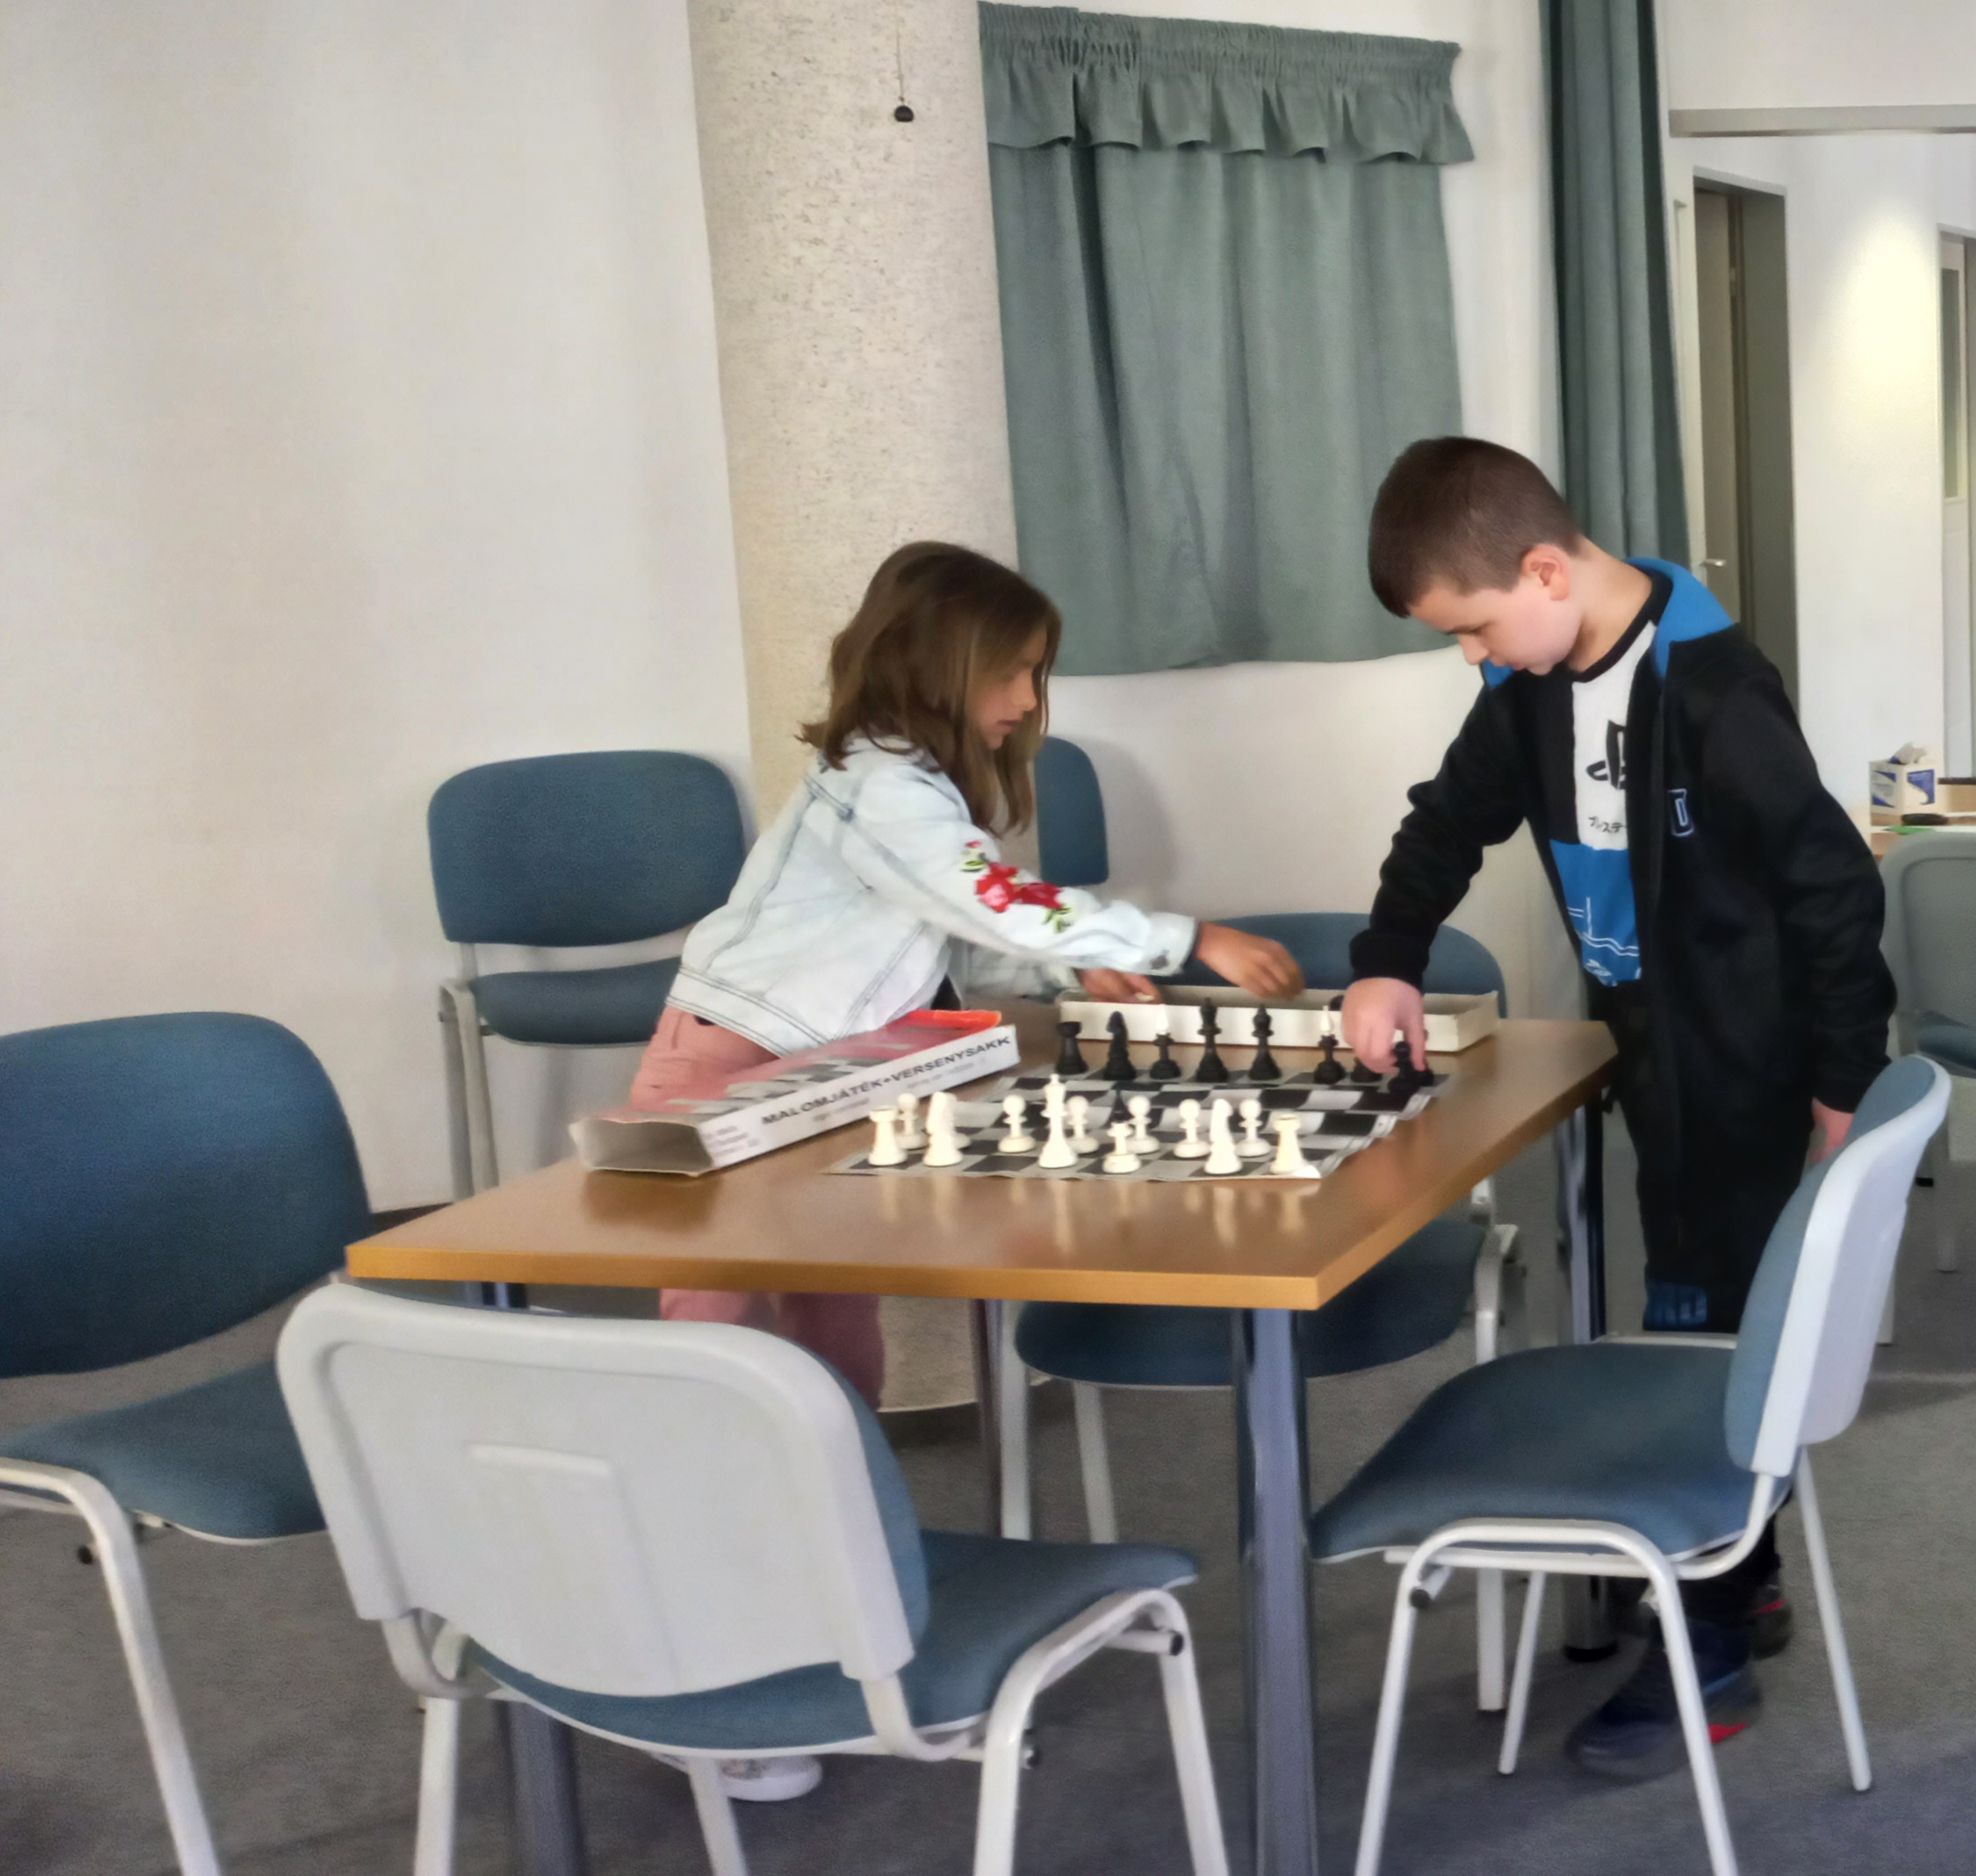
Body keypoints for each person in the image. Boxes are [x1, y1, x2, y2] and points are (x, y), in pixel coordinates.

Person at [641, 539, 1304, 1799]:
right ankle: (694, 1678)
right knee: (716, 1371)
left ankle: (823, 1626)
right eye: (1018, 672)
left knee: (837, 1362)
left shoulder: (917, 792)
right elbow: (988, 902)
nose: (1028, 702)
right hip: (726, 1069)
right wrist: (1180, 935)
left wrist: (1071, 961)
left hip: (824, 1079)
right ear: (948, 662)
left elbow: (951, 942)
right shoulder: (877, 779)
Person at [1340, 436, 1892, 1781]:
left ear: (1545, 572)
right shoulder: (1530, 686)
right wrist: (1387, 957)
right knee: (1703, 1316)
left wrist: (1841, 1081)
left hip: (1749, 1065)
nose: (1472, 655)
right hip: (1653, 1049)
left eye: (1473, 627)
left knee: (1702, 1338)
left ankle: (1705, 1647)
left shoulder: (1713, 690)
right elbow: (1446, 820)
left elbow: (1832, 890)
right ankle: (1745, 1576)